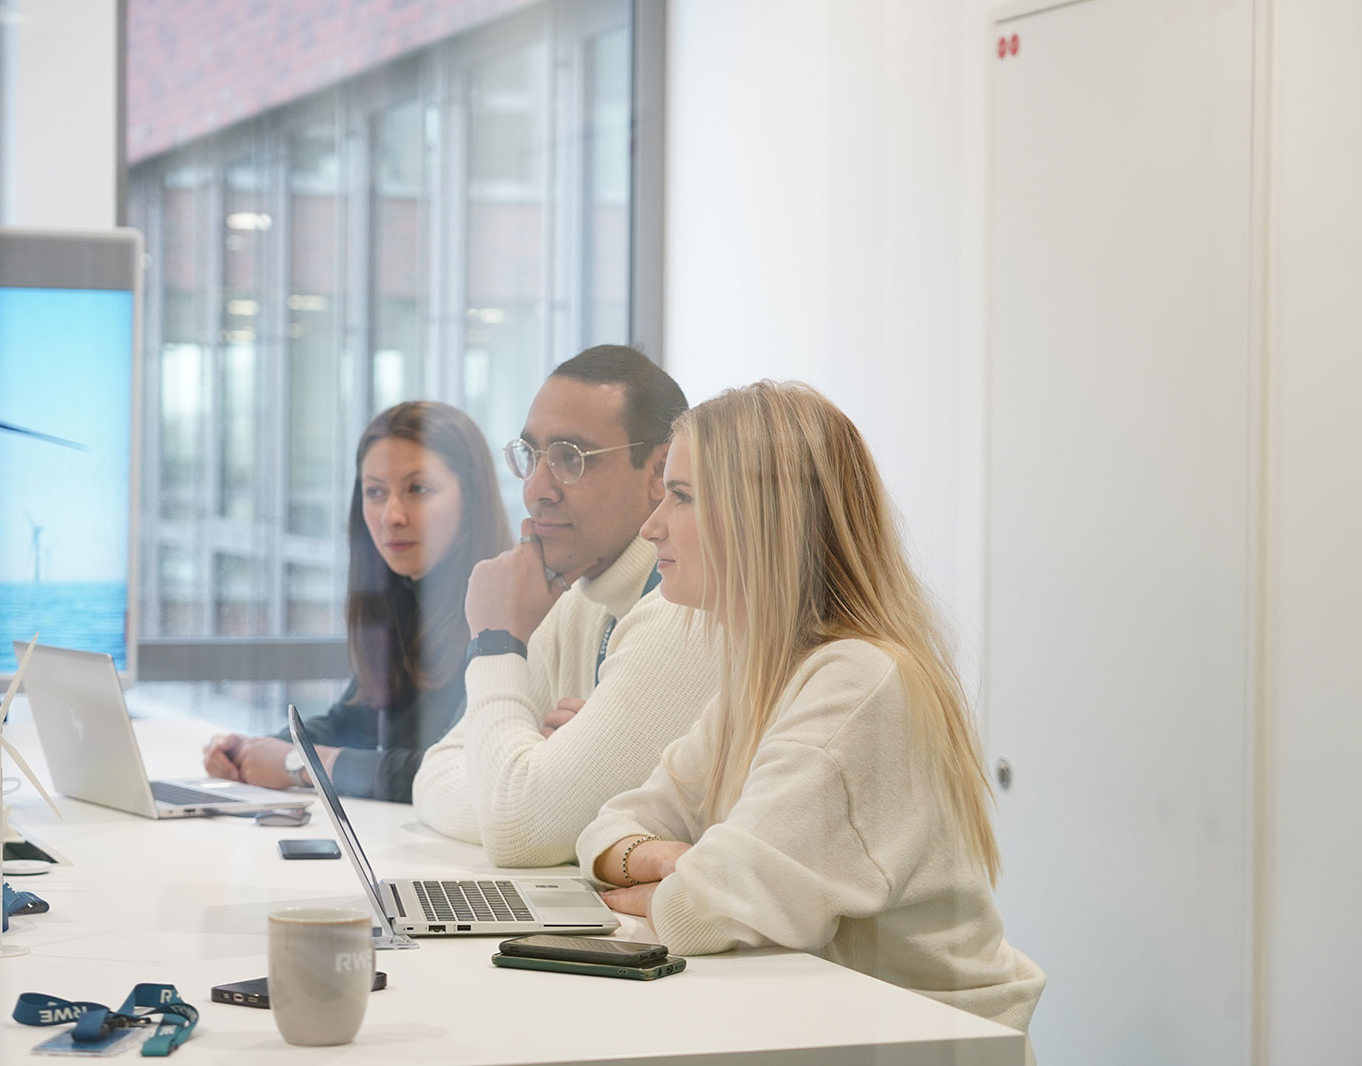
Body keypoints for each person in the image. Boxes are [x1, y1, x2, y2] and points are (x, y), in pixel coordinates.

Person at [576, 381, 1045, 1047]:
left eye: (679, 497)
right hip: (843, 1034)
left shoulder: (857, 683)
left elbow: (700, 911)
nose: (652, 527)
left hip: (929, 1048)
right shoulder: (770, 673)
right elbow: (607, 827)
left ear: (758, 519)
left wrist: (676, 880)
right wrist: (664, 858)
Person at [412, 345, 722, 866]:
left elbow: (517, 828)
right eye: (531, 455)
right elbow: (436, 774)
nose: (536, 489)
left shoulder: (690, 613)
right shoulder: (572, 599)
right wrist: (532, 773)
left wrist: (495, 640)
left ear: (659, 471)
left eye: (569, 459)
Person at [201, 401, 510, 802]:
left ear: (471, 500)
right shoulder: (404, 594)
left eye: (418, 489)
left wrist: (299, 766)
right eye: (375, 492)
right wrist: (250, 752)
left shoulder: (504, 611)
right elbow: (352, 720)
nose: (391, 515)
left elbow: (453, 771)